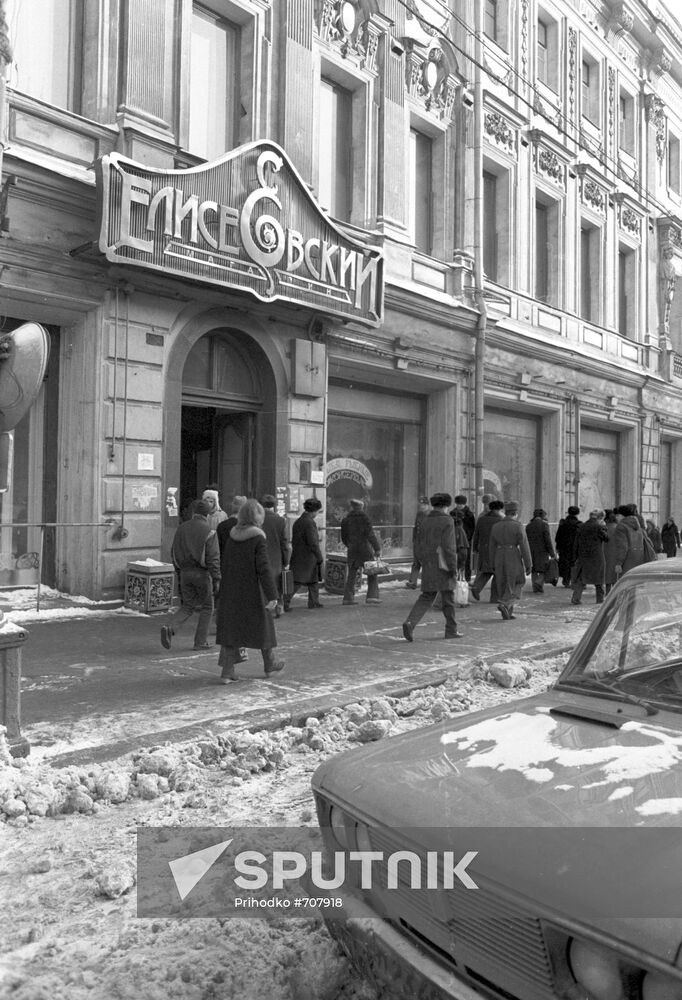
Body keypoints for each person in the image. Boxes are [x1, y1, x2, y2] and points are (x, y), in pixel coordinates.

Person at [215, 498, 284, 682]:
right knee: (264, 626)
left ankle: (227, 672)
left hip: (232, 589)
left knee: (231, 629)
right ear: (258, 517)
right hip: (254, 590)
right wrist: (272, 595)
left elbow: (226, 563)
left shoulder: (232, 535)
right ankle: (270, 665)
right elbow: (263, 567)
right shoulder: (258, 537)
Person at [401, 492, 463, 642]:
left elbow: (418, 543)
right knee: (448, 597)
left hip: (428, 562)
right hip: (443, 564)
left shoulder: (425, 520)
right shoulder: (447, 521)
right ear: (446, 506)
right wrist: (453, 567)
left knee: (427, 596)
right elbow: (449, 547)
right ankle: (451, 630)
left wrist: (421, 561)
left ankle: (410, 622)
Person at [160, 498, 220, 651]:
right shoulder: (209, 531)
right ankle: (200, 641)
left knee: (188, 605)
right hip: (201, 573)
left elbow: (173, 551)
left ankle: (170, 627)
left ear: (194, 513)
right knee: (207, 607)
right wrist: (217, 577)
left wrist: (178, 570)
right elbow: (213, 557)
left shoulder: (181, 528)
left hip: (185, 572)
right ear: (207, 515)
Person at [490, 500, 532, 621]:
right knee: (518, 581)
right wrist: (528, 563)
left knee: (503, 581)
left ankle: (508, 611)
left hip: (498, 554)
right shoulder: (518, 526)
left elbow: (491, 546)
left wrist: (492, 561)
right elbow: (524, 545)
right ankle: (505, 603)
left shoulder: (496, 526)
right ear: (515, 513)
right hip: (512, 554)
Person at [340, 499, 382, 606]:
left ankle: (348, 598)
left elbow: (343, 537)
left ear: (352, 507)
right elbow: (370, 535)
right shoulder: (365, 518)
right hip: (365, 549)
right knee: (372, 572)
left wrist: (350, 545)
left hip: (352, 549)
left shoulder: (346, 520)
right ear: (361, 507)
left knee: (352, 574)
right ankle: (372, 596)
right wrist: (377, 548)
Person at [285, 497, 324, 609]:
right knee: (298, 581)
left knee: (313, 580)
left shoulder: (298, 521)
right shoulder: (309, 523)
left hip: (299, 555)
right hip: (308, 557)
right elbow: (313, 542)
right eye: (317, 511)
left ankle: (314, 601)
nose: (317, 514)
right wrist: (319, 556)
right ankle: (285, 602)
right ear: (314, 511)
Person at [261, 494, 291, 617]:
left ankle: (265, 608)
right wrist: (286, 560)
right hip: (276, 557)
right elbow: (285, 543)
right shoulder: (280, 521)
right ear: (274, 505)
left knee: (264, 583)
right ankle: (279, 608)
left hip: (261, 555)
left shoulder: (258, 519)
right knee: (278, 583)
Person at [570, 509, 609, 605]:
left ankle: (576, 598)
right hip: (597, 556)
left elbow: (576, 543)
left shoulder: (582, 526)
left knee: (581, 578)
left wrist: (574, 557)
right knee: (599, 579)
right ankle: (600, 599)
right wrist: (604, 527)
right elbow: (606, 538)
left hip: (583, 555)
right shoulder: (599, 527)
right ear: (600, 518)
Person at [470, 499, 505, 602]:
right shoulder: (501, 520)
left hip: (484, 549)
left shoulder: (482, 519)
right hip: (497, 550)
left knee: (486, 571)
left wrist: (475, 547)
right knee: (498, 573)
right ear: (500, 509)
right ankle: (495, 597)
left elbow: (476, 534)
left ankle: (476, 587)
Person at [525, 508, 556, 593]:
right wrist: (552, 553)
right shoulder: (544, 525)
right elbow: (547, 540)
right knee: (544, 569)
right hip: (542, 550)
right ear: (542, 515)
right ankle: (538, 583)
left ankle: (535, 587)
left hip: (531, 550)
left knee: (534, 569)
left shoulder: (529, 526)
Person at [613, 503, 646, 575]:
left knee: (625, 583)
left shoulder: (621, 527)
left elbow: (622, 546)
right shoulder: (637, 526)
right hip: (639, 558)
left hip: (627, 560)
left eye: (617, 515)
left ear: (622, 515)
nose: (616, 518)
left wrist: (619, 563)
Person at [406, 496, 430, 589]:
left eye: (424, 504)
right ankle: (412, 582)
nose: (422, 506)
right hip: (418, 542)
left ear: (428, 505)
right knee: (416, 562)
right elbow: (416, 527)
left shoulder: (430, 514)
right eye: (421, 505)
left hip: (426, 542)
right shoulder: (419, 514)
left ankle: (426, 582)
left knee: (425, 563)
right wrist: (414, 539)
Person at [555, 506, 582, 588]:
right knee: (573, 563)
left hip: (563, 547)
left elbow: (558, 536)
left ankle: (565, 579)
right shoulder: (579, 524)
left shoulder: (563, 523)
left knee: (564, 562)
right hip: (574, 547)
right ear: (577, 513)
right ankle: (572, 580)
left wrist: (558, 546)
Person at [452, 494, 475, 580]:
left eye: (461, 504)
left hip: (466, 540)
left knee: (466, 559)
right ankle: (456, 577)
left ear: (464, 504)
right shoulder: (453, 513)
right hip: (454, 539)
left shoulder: (469, 514)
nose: (459, 506)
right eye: (457, 504)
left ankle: (467, 577)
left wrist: (468, 537)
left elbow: (473, 527)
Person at [603, 509, 620, 595]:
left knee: (607, 572)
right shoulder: (618, 527)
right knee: (614, 573)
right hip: (616, 552)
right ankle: (615, 591)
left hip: (605, 552)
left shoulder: (605, 527)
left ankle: (607, 591)